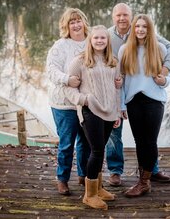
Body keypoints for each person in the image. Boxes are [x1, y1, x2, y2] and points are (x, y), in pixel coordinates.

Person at [105, 3, 170, 186]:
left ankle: (150, 172)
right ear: (113, 17)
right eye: (118, 15)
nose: (122, 19)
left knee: (149, 139)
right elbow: (92, 53)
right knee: (115, 134)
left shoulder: (153, 41)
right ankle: (116, 171)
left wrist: (165, 72)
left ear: (131, 17)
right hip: (115, 91)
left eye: (125, 15)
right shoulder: (106, 36)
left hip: (148, 95)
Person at [64, 25, 122, 210]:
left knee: (101, 149)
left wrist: (117, 111)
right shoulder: (80, 61)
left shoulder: (113, 61)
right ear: (90, 40)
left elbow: (116, 87)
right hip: (91, 110)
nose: (99, 41)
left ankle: (98, 187)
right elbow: (68, 88)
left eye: (103, 38)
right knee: (96, 150)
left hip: (109, 110)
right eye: (96, 38)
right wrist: (84, 100)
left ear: (107, 41)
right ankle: (89, 195)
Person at [119, 14, 170, 197]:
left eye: (144, 27)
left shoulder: (160, 49)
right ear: (133, 29)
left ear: (150, 29)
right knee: (139, 142)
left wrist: (164, 80)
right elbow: (121, 80)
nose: (140, 29)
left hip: (154, 100)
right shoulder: (125, 50)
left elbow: (169, 75)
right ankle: (144, 179)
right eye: (137, 26)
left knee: (150, 141)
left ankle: (144, 182)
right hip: (133, 101)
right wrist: (121, 105)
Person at [45, 8, 91, 195]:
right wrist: (67, 79)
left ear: (84, 22)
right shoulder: (60, 46)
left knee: (86, 141)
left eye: (79, 20)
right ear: (66, 25)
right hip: (64, 103)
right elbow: (51, 71)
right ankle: (62, 179)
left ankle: (83, 175)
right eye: (72, 22)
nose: (76, 25)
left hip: (86, 102)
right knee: (66, 143)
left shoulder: (92, 42)